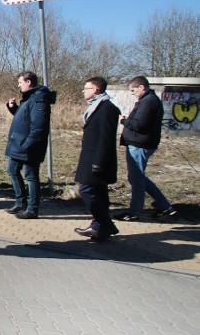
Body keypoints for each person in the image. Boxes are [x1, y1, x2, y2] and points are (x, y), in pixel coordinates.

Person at [114, 76, 176, 220]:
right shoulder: (148, 100)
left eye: (133, 90)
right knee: (139, 177)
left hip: (140, 145)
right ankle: (165, 206)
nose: (132, 93)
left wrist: (123, 121)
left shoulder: (148, 102)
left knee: (136, 179)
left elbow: (139, 125)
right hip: (140, 143)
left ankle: (134, 212)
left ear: (142, 87)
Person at [74, 76, 121, 241]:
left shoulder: (107, 108)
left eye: (86, 88)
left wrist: (99, 162)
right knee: (100, 193)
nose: (83, 91)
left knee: (86, 189)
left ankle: (105, 223)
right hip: (90, 156)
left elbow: (106, 138)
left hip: (97, 159)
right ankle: (99, 227)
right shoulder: (96, 106)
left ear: (95, 90)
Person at [5, 71, 54, 219]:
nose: (18, 85)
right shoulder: (29, 98)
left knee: (31, 176)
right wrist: (13, 108)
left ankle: (32, 209)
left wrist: (27, 144)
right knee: (12, 170)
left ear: (28, 82)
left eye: (20, 82)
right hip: (19, 145)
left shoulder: (39, 100)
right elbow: (24, 118)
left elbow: (38, 126)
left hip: (29, 146)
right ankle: (21, 202)